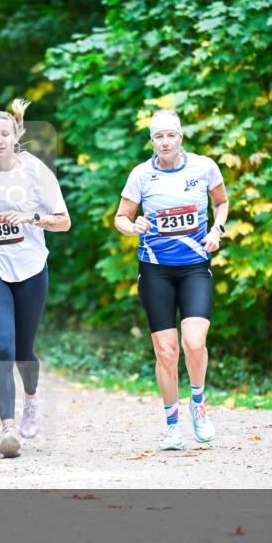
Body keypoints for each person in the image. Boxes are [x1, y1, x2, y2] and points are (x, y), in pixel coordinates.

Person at [0, 99, 71, 458]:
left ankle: (31, 401)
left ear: (17, 134)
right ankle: (8, 429)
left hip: (32, 267)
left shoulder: (36, 172)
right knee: (2, 344)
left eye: (5, 133)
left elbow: (63, 221)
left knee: (24, 350)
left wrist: (32, 218)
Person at [113, 109, 229, 451]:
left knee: (194, 342)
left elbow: (221, 203)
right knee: (166, 351)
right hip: (155, 269)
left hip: (194, 266)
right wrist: (132, 226)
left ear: (181, 137)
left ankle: (198, 403)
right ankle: (172, 424)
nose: (165, 142)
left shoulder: (204, 167)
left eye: (171, 135)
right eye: (158, 136)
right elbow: (121, 216)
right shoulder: (141, 175)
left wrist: (217, 229)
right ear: (152, 141)